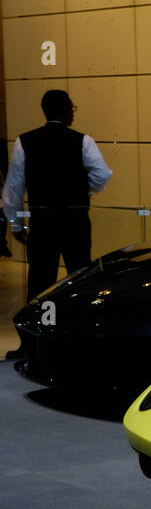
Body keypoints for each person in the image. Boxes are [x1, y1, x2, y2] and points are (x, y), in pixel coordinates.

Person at [2, 89, 112, 361]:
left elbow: (13, 189)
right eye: (72, 108)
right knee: (77, 280)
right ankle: (76, 339)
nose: (74, 112)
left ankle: (34, 344)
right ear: (63, 110)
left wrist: (16, 226)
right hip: (75, 222)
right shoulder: (82, 141)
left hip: (43, 224)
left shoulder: (25, 142)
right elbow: (102, 174)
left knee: (41, 284)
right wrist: (80, 190)